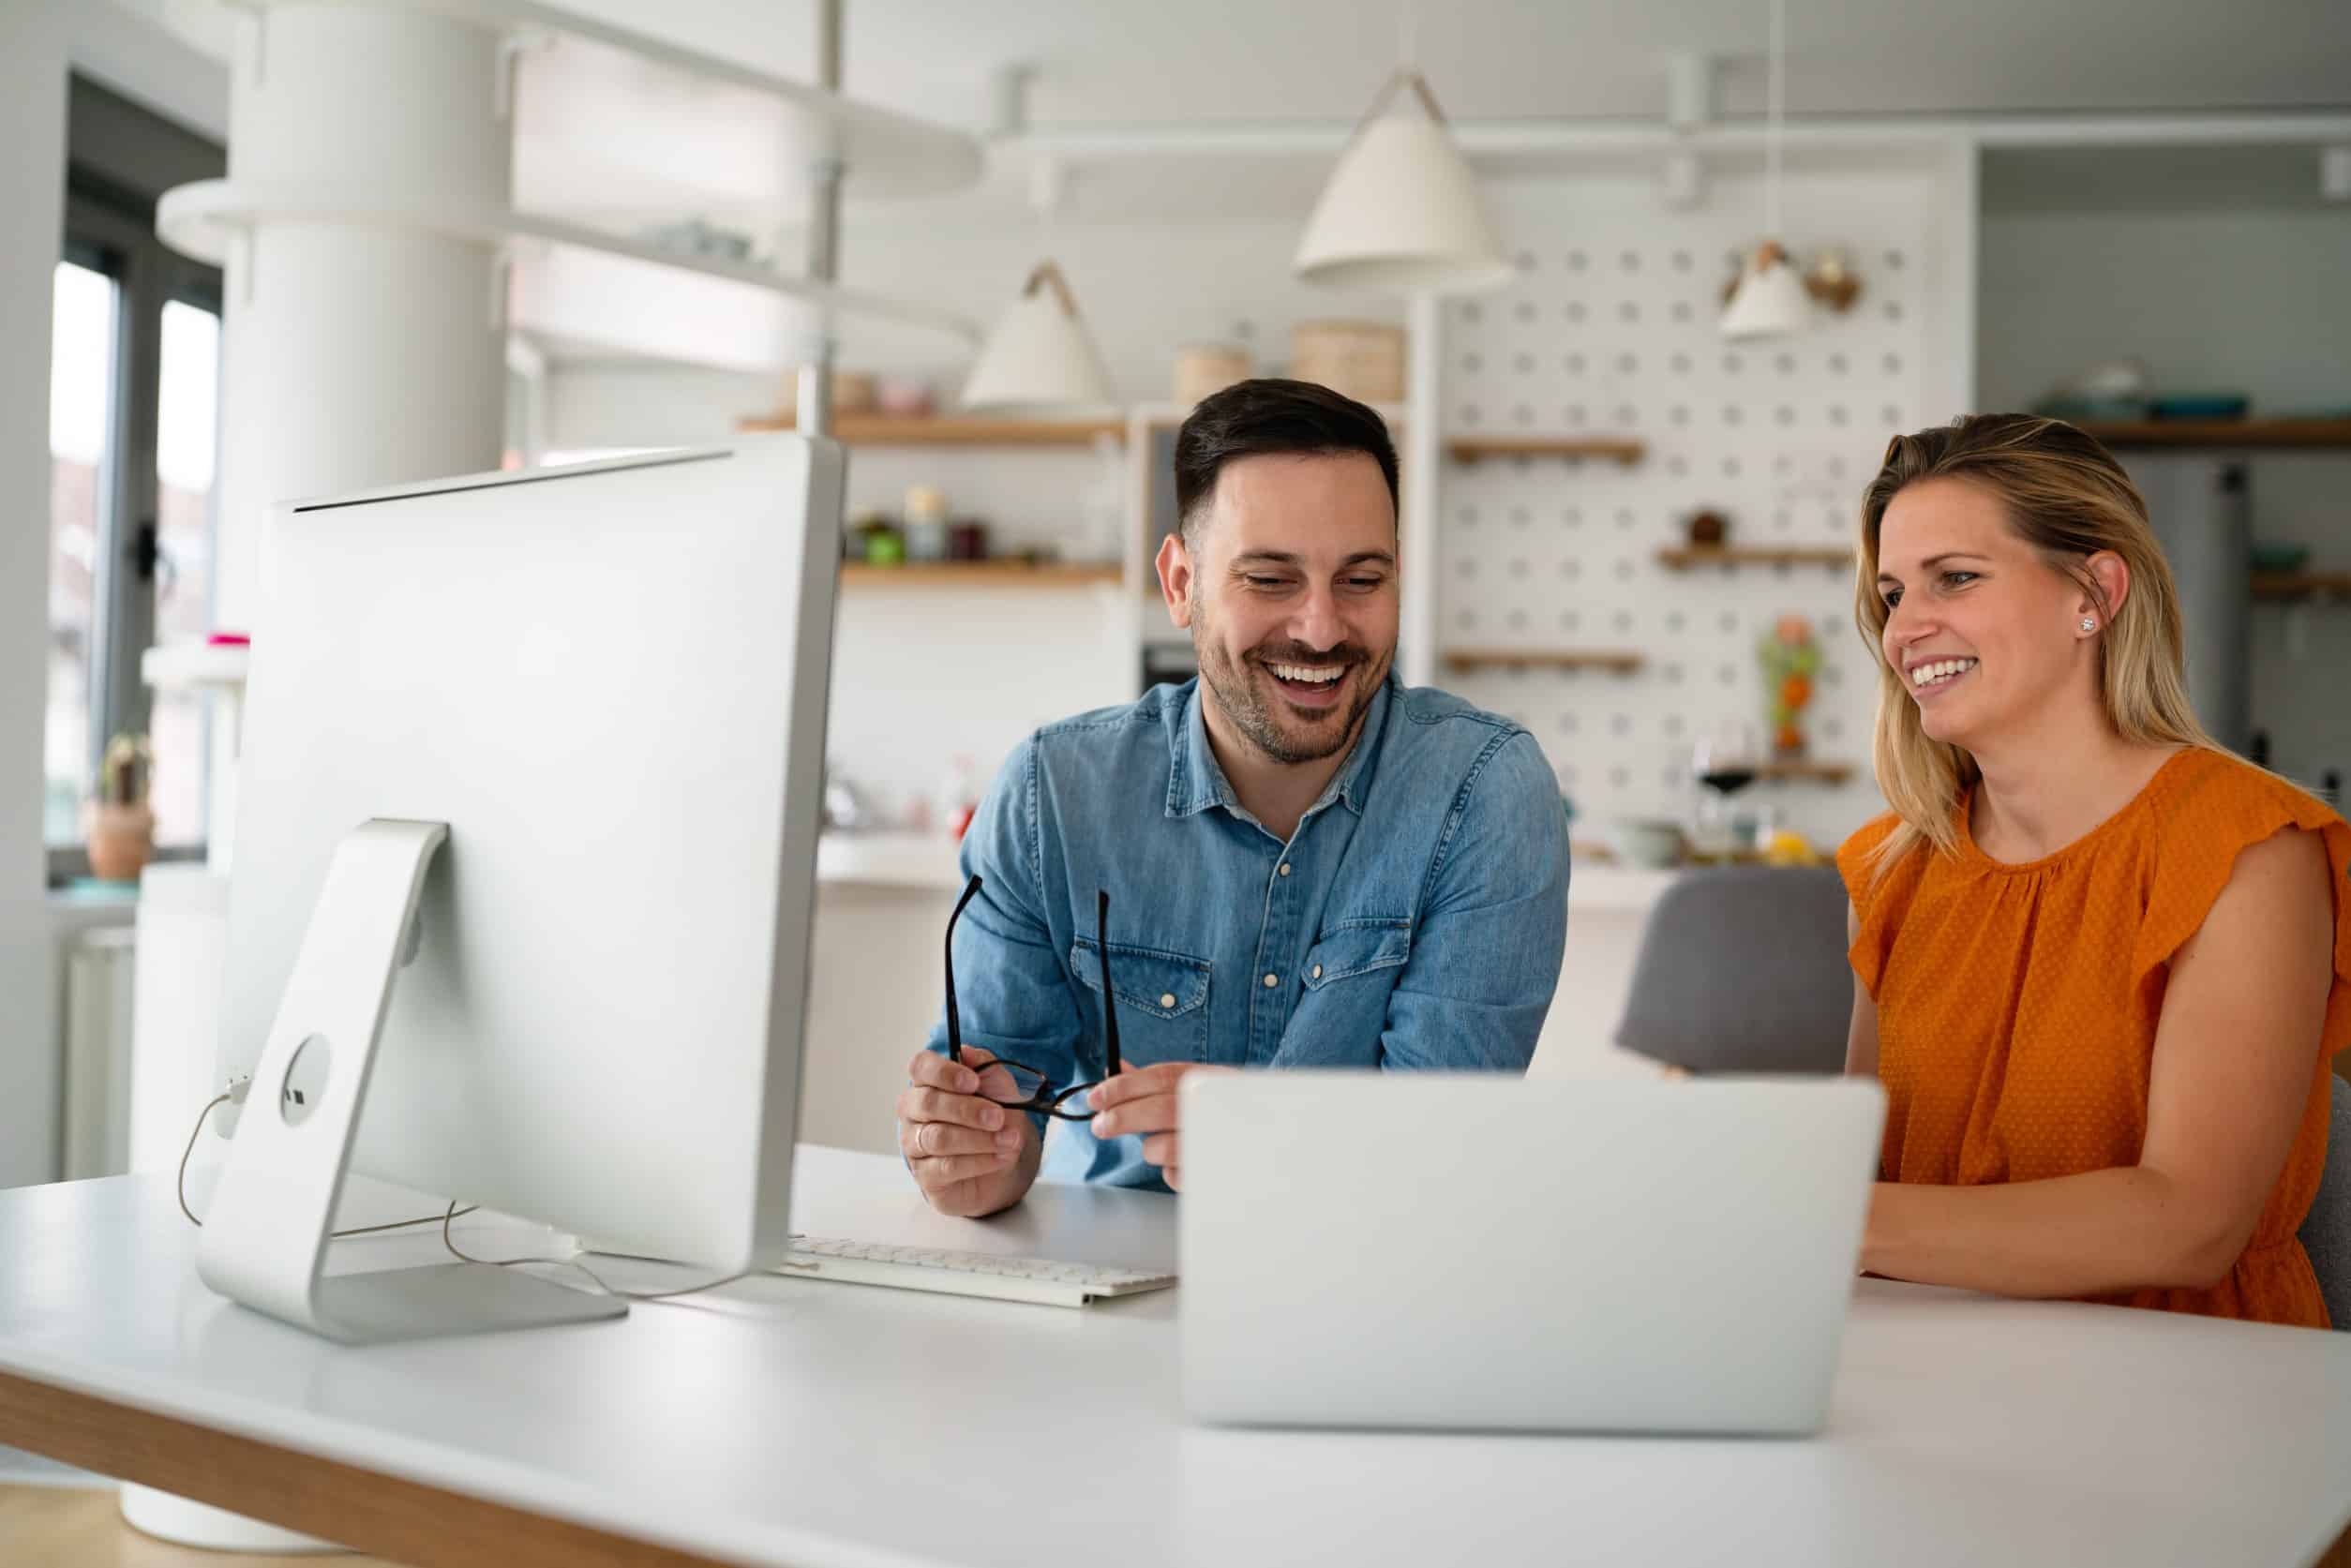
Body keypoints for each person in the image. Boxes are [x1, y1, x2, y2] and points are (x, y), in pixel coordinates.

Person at [895, 379, 1569, 1215]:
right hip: (1101, 1295)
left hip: (1375, 1291)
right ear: (1181, 583)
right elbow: (997, 1130)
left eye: (1362, 579)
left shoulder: (1486, 795)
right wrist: (969, 1158)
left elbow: (1441, 1154)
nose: (1321, 629)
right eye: (1270, 579)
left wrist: (1265, 1141)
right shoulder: (1052, 796)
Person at [1839, 412, 2350, 1326]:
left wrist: (1815, 1214)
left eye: (1954, 577)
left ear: (2095, 590)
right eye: (1891, 593)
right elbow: (1855, 1166)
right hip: (1925, 1360)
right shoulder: (1895, 866)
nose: (1906, 628)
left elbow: (2189, 1223)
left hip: (2189, 1380)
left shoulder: (2250, 847)